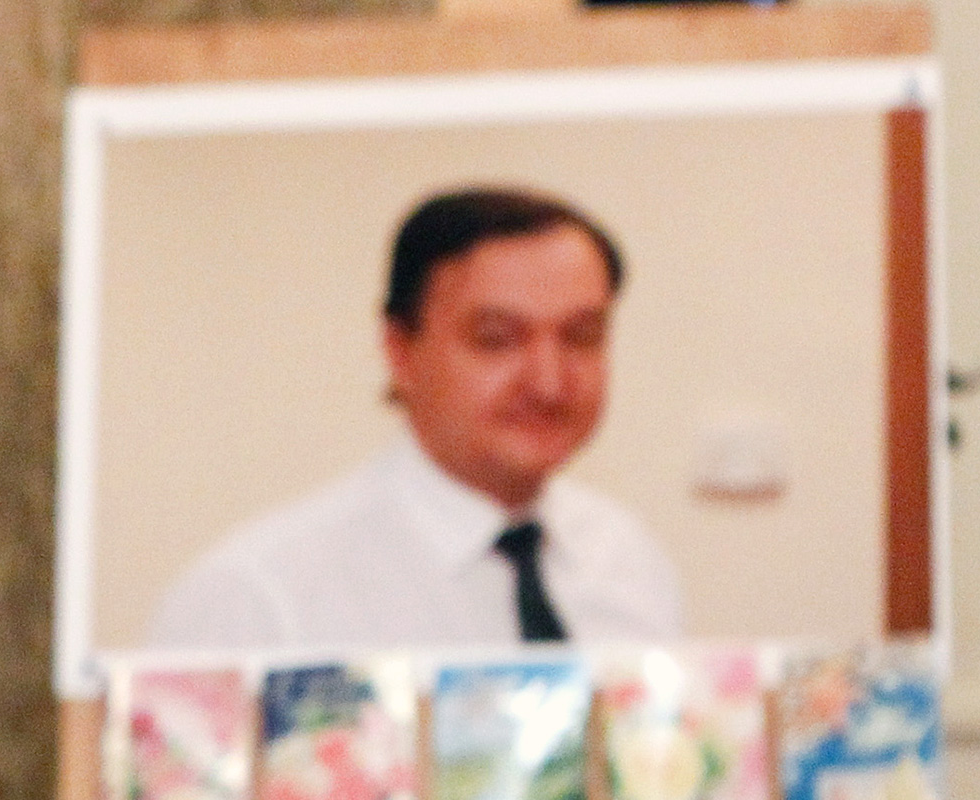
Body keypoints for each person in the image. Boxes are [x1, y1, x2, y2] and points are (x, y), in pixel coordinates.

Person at [150, 185, 684, 651]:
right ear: (400, 350)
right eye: (496, 340)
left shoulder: (629, 561)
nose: (548, 381)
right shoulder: (259, 600)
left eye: (581, 336)